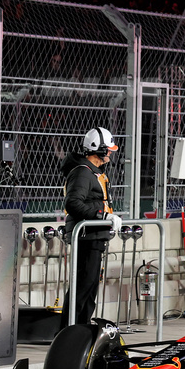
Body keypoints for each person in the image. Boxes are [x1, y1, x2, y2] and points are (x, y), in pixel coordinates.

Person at [61, 126, 120, 327]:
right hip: (87, 237)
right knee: (82, 289)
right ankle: (69, 333)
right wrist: (101, 216)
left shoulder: (91, 172)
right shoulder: (83, 173)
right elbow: (73, 203)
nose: (111, 153)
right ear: (100, 150)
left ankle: (81, 331)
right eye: (108, 149)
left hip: (93, 236)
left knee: (89, 289)